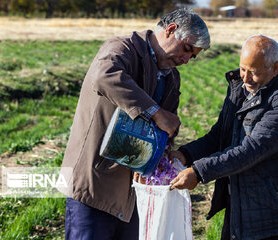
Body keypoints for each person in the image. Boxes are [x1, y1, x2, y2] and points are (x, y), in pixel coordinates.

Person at [59, 9, 210, 239]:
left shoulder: (171, 77)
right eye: (187, 49)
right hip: (95, 186)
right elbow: (104, 75)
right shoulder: (123, 48)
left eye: (192, 56)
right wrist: (155, 112)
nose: (186, 59)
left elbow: (166, 130)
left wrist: (161, 158)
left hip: (133, 195)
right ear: (171, 30)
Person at [169, 35, 278, 240]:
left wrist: (199, 172)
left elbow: (251, 150)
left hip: (277, 219)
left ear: (275, 68)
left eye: (253, 72)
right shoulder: (241, 89)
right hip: (240, 210)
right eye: (242, 69)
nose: (244, 78)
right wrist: (184, 155)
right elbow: (220, 134)